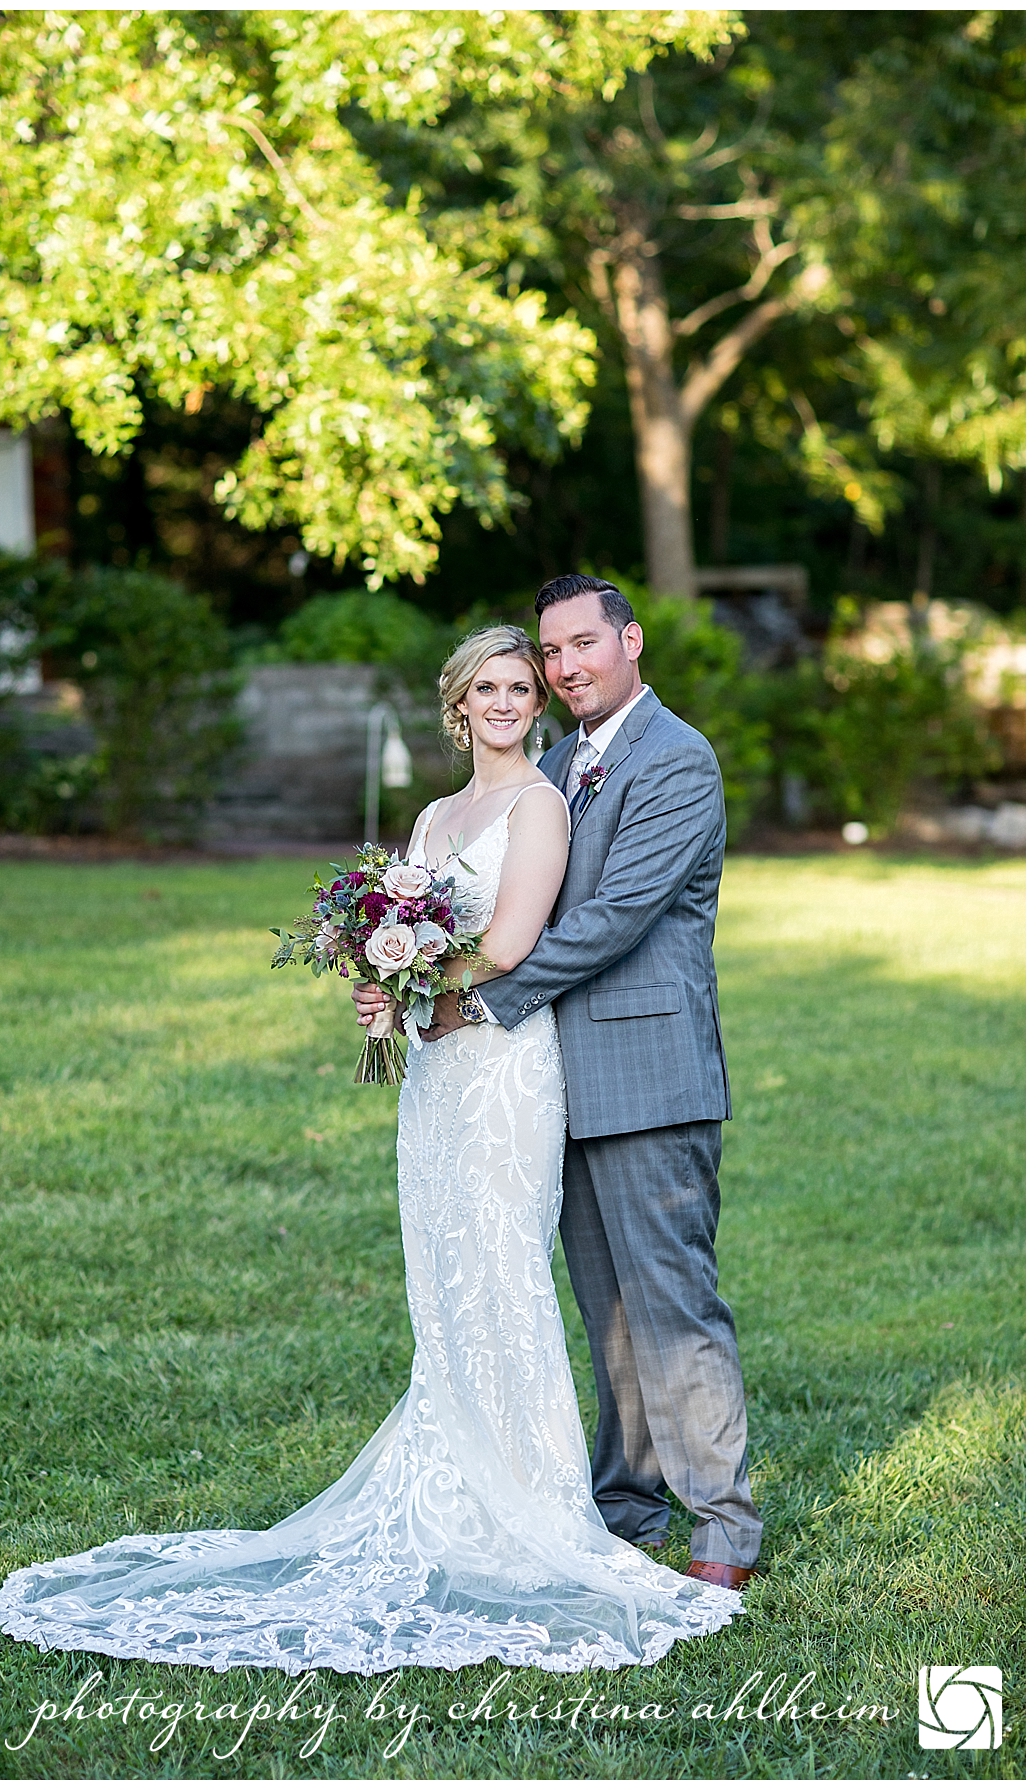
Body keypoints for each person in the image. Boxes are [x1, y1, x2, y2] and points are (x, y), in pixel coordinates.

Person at [0, 622, 742, 1676]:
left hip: (525, 1062)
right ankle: (548, 1490)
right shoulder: (470, 797)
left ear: (618, 646)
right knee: (482, 1278)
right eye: (500, 682)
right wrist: (385, 972)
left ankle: (664, 1521)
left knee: (551, 1280)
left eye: (537, 675)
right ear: (459, 702)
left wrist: (433, 975)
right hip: (443, 1070)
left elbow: (537, 935)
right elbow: (426, 916)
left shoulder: (586, 783)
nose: (524, 692)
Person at [360, 577, 763, 1589]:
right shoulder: (548, 767)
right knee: (605, 1308)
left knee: (671, 1300)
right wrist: (400, 978)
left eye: (585, 642)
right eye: (554, 650)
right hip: (547, 1080)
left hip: (647, 1070)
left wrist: (473, 1000)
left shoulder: (677, 759)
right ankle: (626, 1501)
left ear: (629, 640)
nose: (568, 663)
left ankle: (722, 1529)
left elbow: (611, 918)